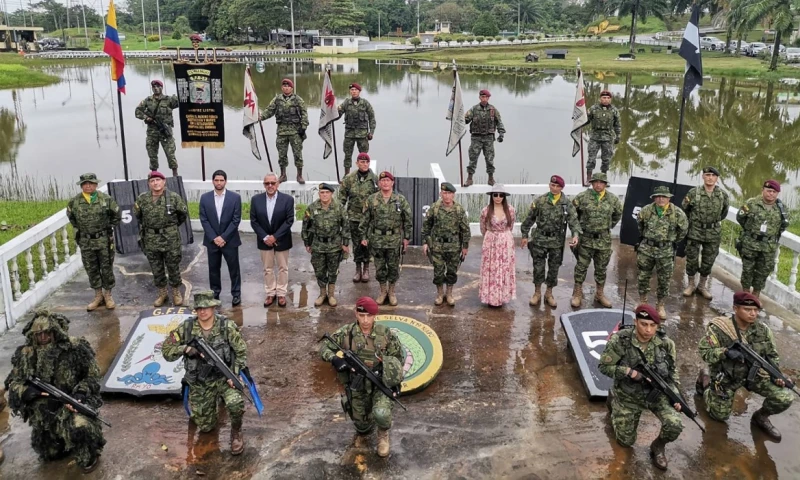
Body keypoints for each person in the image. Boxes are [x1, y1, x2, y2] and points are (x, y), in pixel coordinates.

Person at [4, 310, 106, 473]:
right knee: (49, 453)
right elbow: (14, 382)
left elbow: (93, 374)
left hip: (70, 404)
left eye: (46, 333)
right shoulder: (26, 354)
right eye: (39, 334)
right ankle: (60, 439)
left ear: (55, 331)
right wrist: (26, 391)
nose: (43, 337)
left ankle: (87, 449)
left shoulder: (74, 347)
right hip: (45, 413)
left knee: (81, 429)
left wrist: (81, 392)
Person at [696, 291, 794, 441]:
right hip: (727, 377)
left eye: (756, 310)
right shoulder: (720, 328)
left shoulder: (763, 330)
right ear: (735, 308)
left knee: (785, 396)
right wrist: (725, 352)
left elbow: (771, 356)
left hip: (753, 376)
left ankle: (760, 417)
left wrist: (776, 375)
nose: (753, 314)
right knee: (719, 416)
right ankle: (706, 382)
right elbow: (704, 352)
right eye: (748, 310)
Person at [162, 291, 248, 455]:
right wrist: (185, 348)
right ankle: (211, 407)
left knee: (235, 402)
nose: (203, 311)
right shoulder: (187, 328)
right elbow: (166, 350)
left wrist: (235, 374)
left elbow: (241, 352)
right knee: (206, 427)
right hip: (200, 383)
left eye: (206, 307)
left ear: (214, 307)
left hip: (224, 378)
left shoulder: (226, 326)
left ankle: (236, 432)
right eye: (199, 308)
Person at [599, 304, 683, 470]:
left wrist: (677, 396)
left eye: (653, 326)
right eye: (644, 324)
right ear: (635, 322)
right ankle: (613, 399)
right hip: (628, 395)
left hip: (657, 395)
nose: (648, 330)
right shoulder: (620, 340)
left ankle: (658, 447)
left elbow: (673, 374)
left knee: (675, 424)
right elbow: (603, 367)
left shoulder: (666, 344)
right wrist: (628, 371)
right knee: (625, 442)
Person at [319, 297, 404, 457]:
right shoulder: (346, 332)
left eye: (369, 316)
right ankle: (368, 419)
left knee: (381, 413)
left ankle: (383, 434)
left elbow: (398, 357)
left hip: (379, 382)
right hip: (356, 385)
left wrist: (395, 381)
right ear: (356, 314)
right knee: (362, 428)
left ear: (375, 315)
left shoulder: (384, 333)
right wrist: (335, 359)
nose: (365, 320)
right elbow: (324, 348)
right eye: (361, 315)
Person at [520, 175, 581, 308]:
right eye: (552, 185)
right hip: (540, 239)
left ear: (561, 188)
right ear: (549, 185)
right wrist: (524, 235)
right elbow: (529, 219)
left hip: (556, 241)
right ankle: (537, 293)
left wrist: (575, 235)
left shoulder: (566, 204)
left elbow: (574, 221)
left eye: (557, 186)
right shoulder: (540, 201)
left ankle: (549, 293)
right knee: (538, 267)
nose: (554, 188)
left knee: (554, 268)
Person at [66, 173, 121, 311]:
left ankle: (108, 296)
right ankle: (98, 296)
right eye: (85, 183)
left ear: (96, 184)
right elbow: (72, 218)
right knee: (91, 268)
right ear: (81, 186)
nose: (88, 186)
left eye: (91, 183)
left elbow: (117, 216)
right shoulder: (75, 202)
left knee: (106, 267)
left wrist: (107, 228)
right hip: (86, 241)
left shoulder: (106, 199)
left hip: (103, 239)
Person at [134, 171, 189, 307]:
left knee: (173, 266)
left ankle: (176, 292)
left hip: (170, 239)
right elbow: (138, 216)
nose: (155, 183)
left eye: (158, 180)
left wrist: (169, 228)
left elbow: (182, 215)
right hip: (151, 238)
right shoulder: (142, 199)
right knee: (156, 267)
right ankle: (162, 293)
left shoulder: (173, 198)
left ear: (164, 182)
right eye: (152, 181)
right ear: (149, 184)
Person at [635, 185, 688, 320]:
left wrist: (669, 241)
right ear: (653, 198)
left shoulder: (678, 213)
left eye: (664, 196)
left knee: (664, 279)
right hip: (647, 249)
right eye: (658, 196)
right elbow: (640, 226)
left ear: (669, 198)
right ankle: (643, 301)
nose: (660, 199)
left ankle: (660, 305)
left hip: (666, 251)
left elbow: (682, 231)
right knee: (643, 276)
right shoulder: (646, 210)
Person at [571, 172, 622, 308]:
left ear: (605, 184)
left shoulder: (613, 199)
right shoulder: (582, 197)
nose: (598, 185)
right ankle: (577, 293)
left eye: (601, 182)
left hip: (603, 240)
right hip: (586, 239)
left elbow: (618, 214)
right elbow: (573, 216)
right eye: (596, 182)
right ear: (592, 183)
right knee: (581, 267)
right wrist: (576, 232)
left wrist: (608, 226)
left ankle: (599, 294)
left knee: (601, 268)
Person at [360, 171, 412, 306]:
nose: (385, 183)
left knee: (393, 267)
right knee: (380, 267)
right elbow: (365, 219)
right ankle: (383, 291)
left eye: (388, 180)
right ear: (379, 183)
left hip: (394, 239)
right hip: (377, 239)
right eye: (382, 181)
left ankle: (392, 292)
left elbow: (408, 220)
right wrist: (363, 236)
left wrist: (406, 238)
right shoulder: (372, 199)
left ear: (392, 183)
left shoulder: (400, 200)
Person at [681, 166, 730, 300]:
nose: (710, 178)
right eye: (707, 175)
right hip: (695, 231)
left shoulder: (722, 195)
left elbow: (724, 212)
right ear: (703, 177)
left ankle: (702, 286)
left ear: (717, 178)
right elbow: (685, 209)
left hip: (713, 233)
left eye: (713, 176)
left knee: (708, 261)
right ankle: (691, 284)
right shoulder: (693, 193)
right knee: (691, 259)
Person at [736, 180, 788, 302]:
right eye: (768, 191)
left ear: (777, 193)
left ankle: (755, 296)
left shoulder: (781, 209)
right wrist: (751, 232)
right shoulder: (751, 203)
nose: (771, 194)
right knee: (747, 270)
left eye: (774, 192)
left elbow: (783, 225)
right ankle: (745, 295)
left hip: (768, 247)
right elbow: (740, 217)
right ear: (762, 190)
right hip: (750, 244)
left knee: (763, 272)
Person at [302, 183, 350, 307]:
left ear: (331, 194)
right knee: (319, 270)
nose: (324, 195)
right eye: (322, 192)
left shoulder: (339, 207)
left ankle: (331, 294)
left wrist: (345, 243)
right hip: (318, 244)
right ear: (319, 194)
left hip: (334, 244)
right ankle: (322, 294)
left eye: (327, 193)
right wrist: (307, 242)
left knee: (333, 271)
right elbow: (305, 226)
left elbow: (345, 225)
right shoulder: (312, 208)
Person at [250, 172, 294, 308]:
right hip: (264, 241)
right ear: (264, 185)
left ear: (278, 184)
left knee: (283, 268)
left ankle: (281, 293)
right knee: (267, 268)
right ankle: (270, 292)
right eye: (267, 183)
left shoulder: (287, 199)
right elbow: (254, 221)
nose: (270, 185)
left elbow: (289, 220)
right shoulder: (256, 199)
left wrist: (275, 236)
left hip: (282, 239)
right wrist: (265, 237)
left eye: (272, 183)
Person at [199, 170, 242, 306]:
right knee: (213, 269)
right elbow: (204, 219)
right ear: (213, 181)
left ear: (225, 181)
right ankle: (215, 293)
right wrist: (214, 238)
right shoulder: (205, 198)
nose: (219, 183)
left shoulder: (235, 197)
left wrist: (223, 237)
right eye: (216, 180)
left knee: (234, 269)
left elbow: (236, 220)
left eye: (221, 180)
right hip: (212, 241)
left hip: (230, 240)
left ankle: (236, 294)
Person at [422, 182, 470, 306]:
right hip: (437, 246)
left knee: (452, 271)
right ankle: (439, 294)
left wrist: (465, 246)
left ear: (453, 195)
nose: (447, 196)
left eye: (449, 193)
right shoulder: (435, 208)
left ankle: (449, 294)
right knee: (438, 271)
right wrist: (425, 243)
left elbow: (465, 229)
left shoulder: (459, 210)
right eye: (444, 193)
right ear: (440, 194)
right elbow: (426, 226)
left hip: (454, 247)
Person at [259, 78, 309, 184]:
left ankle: (299, 175)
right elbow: (269, 110)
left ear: (292, 88)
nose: (286, 88)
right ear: (282, 88)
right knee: (282, 155)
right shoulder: (277, 99)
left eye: (288, 86)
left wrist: (303, 127)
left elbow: (304, 113)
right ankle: (283, 175)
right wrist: (261, 117)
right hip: (281, 132)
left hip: (295, 132)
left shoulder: (298, 100)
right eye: (284, 86)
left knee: (298, 154)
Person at [339, 152, 379, 283]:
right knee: (356, 244)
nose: (365, 164)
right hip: (354, 217)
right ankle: (357, 269)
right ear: (357, 163)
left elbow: (380, 197)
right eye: (362, 162)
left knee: (367, 243)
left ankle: (366, 268)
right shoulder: (349, 178)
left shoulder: (374, 178)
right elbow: (342, 197)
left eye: (367, 162)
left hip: (369, 218)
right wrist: (340, 213)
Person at [479, 184, 516, 307]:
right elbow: (483, 228)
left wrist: (503, 237)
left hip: (505, 241)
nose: (498, 197)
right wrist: (491, 236)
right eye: (495, 195)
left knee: (504, 268)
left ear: (504, 197)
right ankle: (491, 297)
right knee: (491, 269)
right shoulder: (485, 210)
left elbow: (511, 226)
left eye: (501, 195)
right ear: (492, 196)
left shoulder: (510, 209)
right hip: (491, 241)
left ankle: (502, 296)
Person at [134, 79, 180, 176]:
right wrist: (146, 118)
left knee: (170, 154)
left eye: (158, 87)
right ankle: (154, 175)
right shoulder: (147, 100)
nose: (156, 89)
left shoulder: (169, 100)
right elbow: (138, 111)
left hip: (165, 132)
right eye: (154, 87)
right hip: (152, 132)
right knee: (152, 155)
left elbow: (182, 101)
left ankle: (175, 175)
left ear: (161, 88)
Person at [464, 89, 506, 187]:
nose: (484, 99)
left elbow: (499, 122)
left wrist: (501, 134)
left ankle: (491, 178)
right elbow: (465, 120)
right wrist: (459, 116)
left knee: (490, 159)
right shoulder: (474, 109)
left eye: (486, 97)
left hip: (488, 138)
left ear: (488, 98)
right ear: (479, 97)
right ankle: (469, 178)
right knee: (473, 158)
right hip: (476, 138)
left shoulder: (493, 110)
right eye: (483, 97)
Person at [338, 83, 376, 175]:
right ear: (350, 91)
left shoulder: (365, 103)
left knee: (363, 157)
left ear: (359, 91)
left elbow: (372, 118)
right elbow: (338, 115)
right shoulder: (346, 103)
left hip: (362, 134)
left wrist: (371, 132)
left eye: (355, 90)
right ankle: (346, 176)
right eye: (352, 90)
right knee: (347, 155)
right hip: (349, 134)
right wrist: (334, 110)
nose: (354, 91)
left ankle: (364, 174)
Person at [586, 90, 621, 179]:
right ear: (600, 98)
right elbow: (586, 121)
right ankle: (588, 178)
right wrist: (585, 115)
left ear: (610, 99)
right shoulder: (593, 109)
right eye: (604, 98)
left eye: (608, 98)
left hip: (608, 138)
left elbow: (617, 125)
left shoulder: (614, 110)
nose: (606, 100)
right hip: (595, 137)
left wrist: (618, 136)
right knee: (591, 159)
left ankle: (603, 178)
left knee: (606, 160)